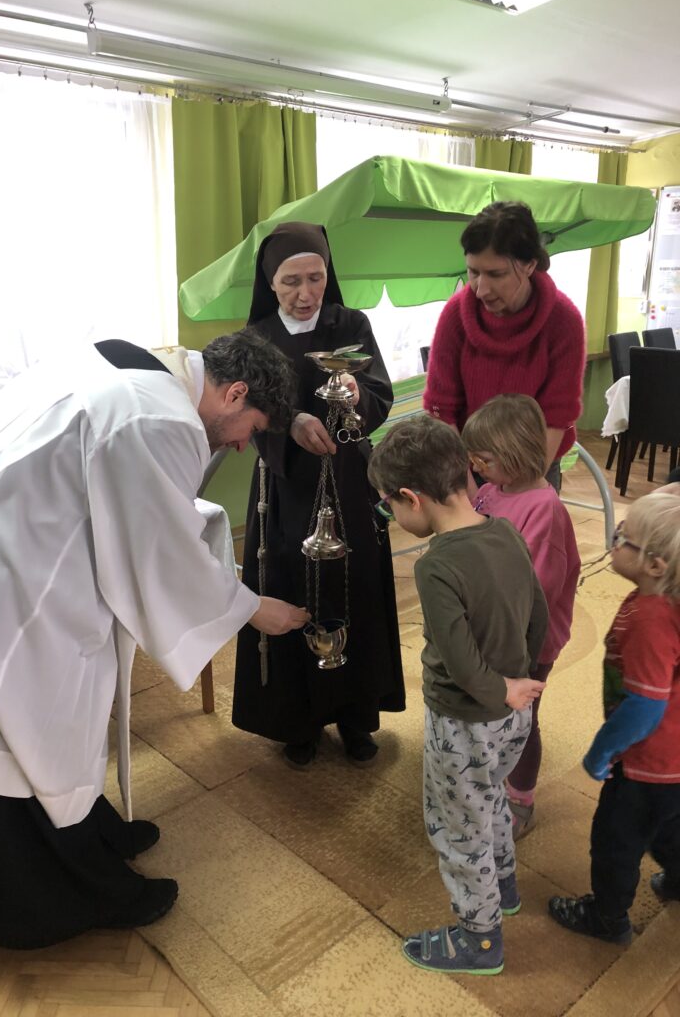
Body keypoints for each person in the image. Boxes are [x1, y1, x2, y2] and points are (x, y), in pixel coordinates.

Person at [0, 331, 310, 950]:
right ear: (234, 392)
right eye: (249, 429)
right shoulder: (160, 418)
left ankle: (89, 830)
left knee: (30, 725)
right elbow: (160, 554)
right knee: (22, 728)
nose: (240, 446)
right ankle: (58, 895)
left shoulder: (131, 359)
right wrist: (252, 608)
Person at [367, 414, 548, 976]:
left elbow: (462, 660)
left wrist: (495, 687)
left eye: (389, 507)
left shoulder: (436, 565)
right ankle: (506, 887)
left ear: (410, 497)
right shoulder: (507, 530)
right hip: (515, 713)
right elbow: (537, 615)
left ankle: (480, 938)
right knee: (490, 798)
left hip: (464, 720)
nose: (393, 518)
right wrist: (519, 681)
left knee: (455, 826)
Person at [232, 221, 405, 769]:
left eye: (316, 278)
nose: (305, 294)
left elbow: (380, 390)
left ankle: (356, 716)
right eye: (291, 282)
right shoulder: (255, 337)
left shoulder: (350, 323)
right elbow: (245, 411)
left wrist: (357, 391)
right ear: (270, 282)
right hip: (285, 488)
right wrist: (291, 420)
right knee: (289, 588)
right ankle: (297, 721)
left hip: (348, 482)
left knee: (352, 587)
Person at [549, 492, 680, 945]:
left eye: (624, 538)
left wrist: (604, 749)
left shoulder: (651, 619)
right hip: (673, 762)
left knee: (615, 841)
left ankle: (607, 918)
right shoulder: (660, 602)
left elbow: (645, 707)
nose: (614, 539)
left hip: (647, 760)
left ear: (656, 565)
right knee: (668, 825)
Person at [462, 394, 581, 838]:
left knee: (521, 722)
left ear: (514, 456)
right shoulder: (494, 489)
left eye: (484, 458)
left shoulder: (544, 509)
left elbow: (535, 592)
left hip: (528, 640)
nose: (475, 465)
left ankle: (520, 799)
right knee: (491, 714)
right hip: (491, 630)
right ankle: (491, 781)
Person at [423, 200, 586, 492]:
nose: (481, 289)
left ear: (529, 265)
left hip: (535, 465)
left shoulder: (564, 321)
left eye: (496, 274)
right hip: (465, 464)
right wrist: (471, 492)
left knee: (526, 538)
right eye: (473, 272)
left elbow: (557, 416)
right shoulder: (455, 316)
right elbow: (441, 411)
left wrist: (521, 493)